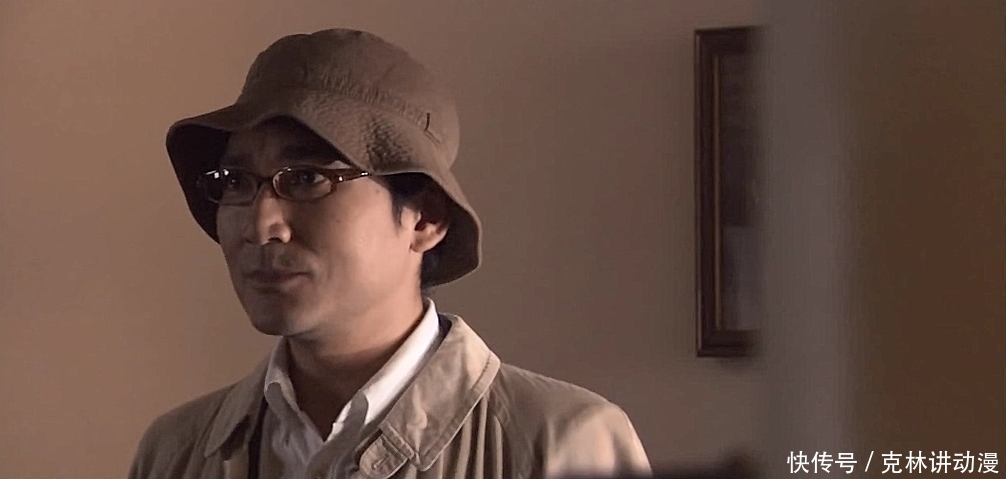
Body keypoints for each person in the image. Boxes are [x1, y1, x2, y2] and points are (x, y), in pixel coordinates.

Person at [128, 28, 651, 479]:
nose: (261, 225)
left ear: (424, 219)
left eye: (307, 178)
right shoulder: (179, 451)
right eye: (237, 181)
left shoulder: (560, 443)